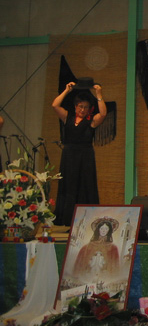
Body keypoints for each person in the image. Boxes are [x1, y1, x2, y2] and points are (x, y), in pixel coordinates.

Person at [52, 81, 106, 226]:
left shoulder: (91, 121)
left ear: (89, 109)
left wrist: (99, 94)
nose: (83, 110)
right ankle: (67, 218)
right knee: (69, 185)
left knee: (85, 185)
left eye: (86, 107)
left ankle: (86, 219)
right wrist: (66, 90)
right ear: (76, 106)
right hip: (69, 155)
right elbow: (55, 105)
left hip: (85, 156)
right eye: (80, 106)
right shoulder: (67, 117)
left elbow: (103, 113)